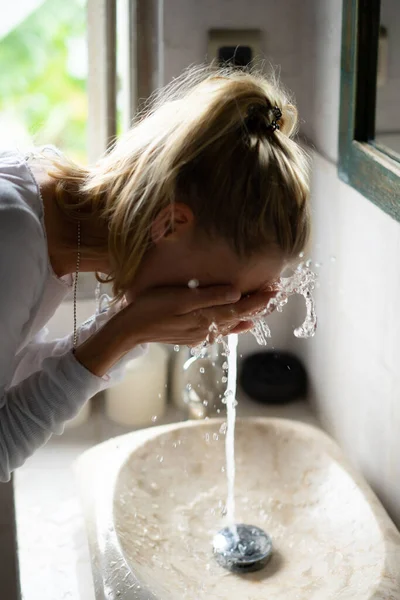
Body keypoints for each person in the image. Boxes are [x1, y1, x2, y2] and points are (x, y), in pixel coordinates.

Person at [0, 65, 310, 481]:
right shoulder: (14, 237)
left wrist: (130, 326)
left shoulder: (51, 212)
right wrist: (125, 331)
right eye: (220, 291)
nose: (215, 311)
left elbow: (14, 372)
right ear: (169, 225)